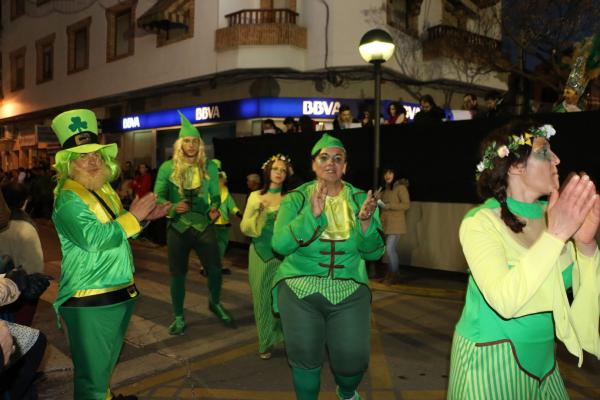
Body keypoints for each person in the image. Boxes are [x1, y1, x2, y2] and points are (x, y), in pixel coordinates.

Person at [447, 120, 600, 399]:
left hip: (544, 363)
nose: (557, 159)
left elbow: (584, 297)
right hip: (489, 364)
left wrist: (586, 245)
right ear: (516, 166)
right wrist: (556, 235)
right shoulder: (480, 222)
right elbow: (506, 301)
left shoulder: (552, 212)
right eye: (545, 152)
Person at [50, 109, 170, 400]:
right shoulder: (68, 198)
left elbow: (120, 232)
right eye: (82, 155)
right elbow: (94, 239)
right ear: (68, 163)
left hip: (118, 290)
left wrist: (145, 218)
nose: (91, 160)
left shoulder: (104, 189)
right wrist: (134, 217)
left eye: (96, 154)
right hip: (89, 296)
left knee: (103, 370)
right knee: (91, 378)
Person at [272, 134, 385, 400]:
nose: (331, 163)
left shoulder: (361, 200)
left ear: (345, 166)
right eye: (324, 157)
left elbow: (375, 253)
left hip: (349, 288)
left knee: (353, 361)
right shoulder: (296, 199)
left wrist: (366, 223)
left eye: (338, 158)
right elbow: (280, 245)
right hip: (299, 287)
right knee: (304, 357)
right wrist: (310, 215)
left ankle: (346, 392)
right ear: (313, 164)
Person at [154, 111, 235, 335]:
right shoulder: (167, 168)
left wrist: (215, 209)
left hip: (203, 227)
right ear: (180, 144)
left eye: (195, 141)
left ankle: (215, 302)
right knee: (177, 274)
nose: (191, 145)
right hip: (177, 228)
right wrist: (171, 207)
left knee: (215, 269)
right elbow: (157, 196)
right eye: (187, 141)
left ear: (200, 144)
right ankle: (178, 316)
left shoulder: (209, 168)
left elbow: (217, 197)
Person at [240, 154, 291, 360]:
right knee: (261, 300)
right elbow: (245, 228)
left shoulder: (290, 199)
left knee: (283, 300)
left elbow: (295, 230)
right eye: (276, 169)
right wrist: (259, 215)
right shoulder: (255, 197)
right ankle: (265, 341)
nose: (279, 173)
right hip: (259, 254)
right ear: (268, 171)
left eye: (283, 170)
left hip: (283, 256)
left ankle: (285, 336)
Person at [0, 183, 46, 326]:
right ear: (25, 201)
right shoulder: (26, 228)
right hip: (18, 293)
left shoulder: (8, 224)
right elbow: (35, 267)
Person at [206, 160, 242, 276]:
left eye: (220, 178)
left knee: (221, 248)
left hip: (224, 225)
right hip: (212, 224)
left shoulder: (226, 193)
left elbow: (231, 205)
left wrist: (238, 214)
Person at [377, 169, 410, 285]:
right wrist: (377, 198)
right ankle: (391, 275)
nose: (387, 175)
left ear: (395, 174)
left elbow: (406, 205)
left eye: (390, 173)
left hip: (396, 224)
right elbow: (382, 205)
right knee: (391, 250)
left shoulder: (400, 187)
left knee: (390, 250)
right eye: (385, 173)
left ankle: (394, 275)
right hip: (387, 224)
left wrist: (389, 205)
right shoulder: (386, 188)